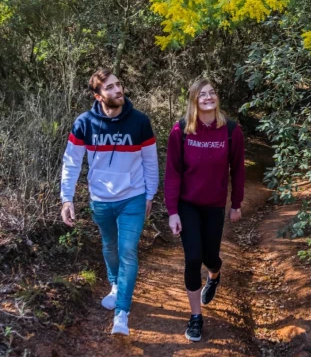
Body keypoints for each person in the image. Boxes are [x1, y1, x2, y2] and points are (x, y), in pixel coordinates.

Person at [60, 68, 159, 336]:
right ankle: (115, 285)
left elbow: (150, 160)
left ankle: (122, 314)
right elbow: (71, 162)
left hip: (133, 197)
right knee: (110, 245)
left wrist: (150, 194)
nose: (118, 90)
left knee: (128, 250)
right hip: (101, 198)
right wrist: (66, 198)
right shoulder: (84, 123)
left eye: (119, 85)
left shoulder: (140, 121)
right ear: (98, 95)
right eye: (110, 87)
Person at [165, 77, 245, 342]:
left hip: (214, 205)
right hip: (187, 205)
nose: (208, 97)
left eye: (212, 93)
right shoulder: (181, 130)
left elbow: (239, 170)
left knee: (210, 257)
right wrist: (172, 211)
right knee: (192, 258)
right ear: (194, 100)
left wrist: (236, 204)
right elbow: (173, 173)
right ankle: (196, 317)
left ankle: (215, 275)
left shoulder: (231, 130)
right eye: (202, 94)